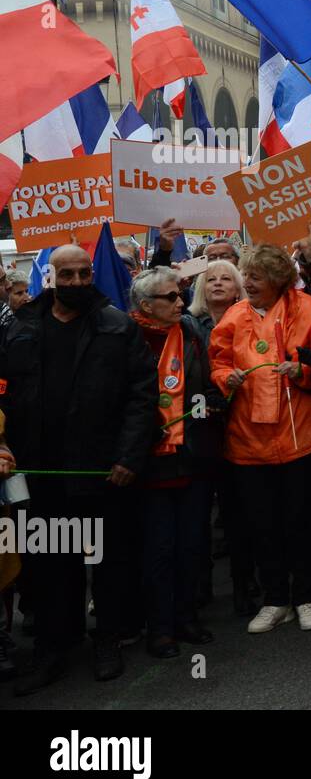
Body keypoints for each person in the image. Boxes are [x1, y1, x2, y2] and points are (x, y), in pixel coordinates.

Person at [0, 246, 156, 694]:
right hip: (39, 474)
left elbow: (142, 398)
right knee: (49, 566)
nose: (74, 282)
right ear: (50, 278)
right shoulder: (22, 326)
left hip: (101, 472)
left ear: (92, 275)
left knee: (107, 562)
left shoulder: (118, 325)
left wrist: (128, 457)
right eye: (65, 274)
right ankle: (53, 648)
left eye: (82, 273)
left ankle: (107, 638)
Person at [209, 245, 311, 635]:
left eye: (256, 276)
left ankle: (307, 595)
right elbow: (218, 360)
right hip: (249, 439)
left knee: (303, 519)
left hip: (302, 433)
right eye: (246, 275)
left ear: (279, 279)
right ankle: (274, 599)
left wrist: (304, 370)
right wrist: (225, 379)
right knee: (262, 523)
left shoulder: (309, 309)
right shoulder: (234, 316)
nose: (247, 283)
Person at [128, 268, 221, 659]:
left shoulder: (189, 333)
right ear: (147, 305)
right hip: (148, 462)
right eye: (171, 297)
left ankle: (186, 617)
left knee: (190, 545)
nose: (180, 303)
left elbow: (204, 381)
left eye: (180, 295)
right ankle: (160, 627)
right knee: (158, 549)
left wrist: (215, 401)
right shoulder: (128, 336)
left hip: (191, 456)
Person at [187, 259, 257, 616]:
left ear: (238, 285)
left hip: (243, 425)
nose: (217, 283)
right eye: (210, 278)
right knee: (198, 515)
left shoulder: (250, 318)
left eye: (225, 278)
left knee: (240, 513)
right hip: (201, 432)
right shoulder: (187, 325)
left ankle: (246, 586)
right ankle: (200, 588)